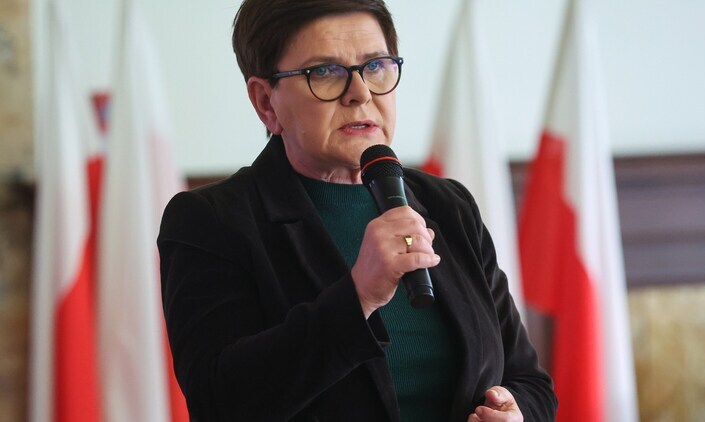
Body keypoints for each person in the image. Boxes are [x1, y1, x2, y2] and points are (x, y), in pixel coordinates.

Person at [157, 0, 557, 420]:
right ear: (265, 102)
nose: (361, 93)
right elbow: (218, 402)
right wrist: (358, 296)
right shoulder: (209, 221)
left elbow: (529, 381)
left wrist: (516, 414)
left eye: (376, 66)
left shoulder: (448, 205)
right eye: (324, 72)